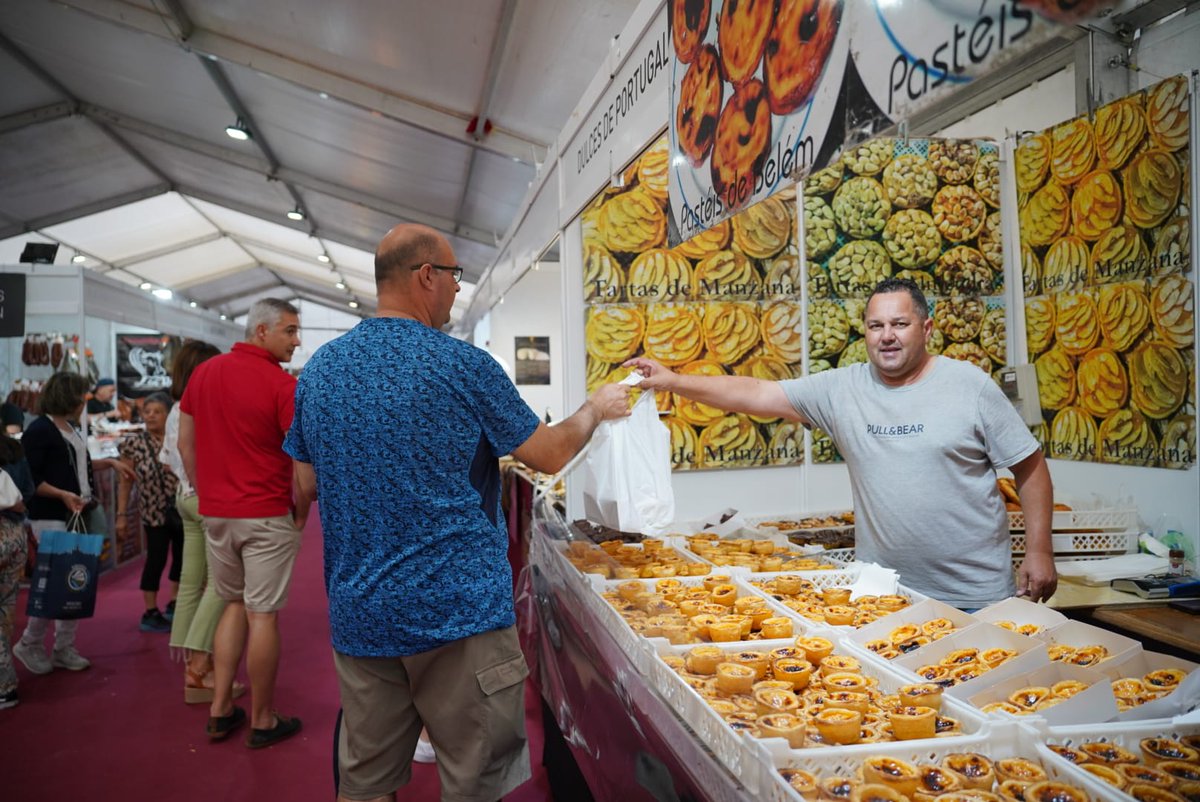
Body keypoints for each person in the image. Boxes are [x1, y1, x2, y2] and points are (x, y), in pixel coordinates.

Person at [285, 223, 631, 802]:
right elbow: (545, 453)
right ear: (426, 276)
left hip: (361, 609)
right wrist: (594, 408)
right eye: (453, 277)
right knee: (475, 780)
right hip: (458, 612)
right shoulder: (462, 365)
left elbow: (305, 482)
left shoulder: (321, 371)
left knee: (365, 782)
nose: (455, 290)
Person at [626, 277, 1056, 610]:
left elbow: (1030, 468)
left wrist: (1038, 551)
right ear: (865, 332)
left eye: (899, 324)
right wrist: (674, 381)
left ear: (925, 329)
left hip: (975, 597)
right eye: (876, 326)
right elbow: (755, 392)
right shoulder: (841, 389)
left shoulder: (970, 385)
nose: (887, 335)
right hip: (882, 593)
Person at [178, 299, 307, 748]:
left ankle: (218, 710)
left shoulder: (205, 373)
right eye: (289, 331)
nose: (297, 340)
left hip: (217, 513)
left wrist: (204, 489)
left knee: (232, 604)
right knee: (262, 614)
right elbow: (301, 460)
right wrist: (304, 508)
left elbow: (185, 441)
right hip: (266, 513)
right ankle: (262, 718)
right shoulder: (281, 385)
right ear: (261, 331)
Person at [12, 372, 132, 674]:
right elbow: (31, 479)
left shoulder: (70, 427)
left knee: (74, 583)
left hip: (77, 512)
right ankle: (30, 641)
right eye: (81, 396)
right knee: (53, 585)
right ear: (69, 396)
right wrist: (63, 495)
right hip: (51, 517)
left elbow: (75, 465)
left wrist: (109, 463)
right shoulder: (40, 430)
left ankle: (64, 646)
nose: (84, 401)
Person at [161, 340, 245, 704]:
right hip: (204, 499)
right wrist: (201, 484)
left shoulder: (175, 408)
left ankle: (193, 667)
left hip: (184, 497)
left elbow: (169, 457)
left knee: (191, 582)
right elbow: (185, 450)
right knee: (221, 586)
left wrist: (189, 484)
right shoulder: (201, 406)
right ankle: (198, 665)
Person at [116, 391, 182, 633]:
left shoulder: (178, 439)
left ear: (169, 415)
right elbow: (125, 482)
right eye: (147, 412)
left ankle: (175, 601)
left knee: (183, 556)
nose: (151, 416)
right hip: (152, 511)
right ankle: (150, 609)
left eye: (157, 412)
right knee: (156, 558)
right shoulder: (134, 443)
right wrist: (121, 515)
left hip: (181, 508)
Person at [0, 433, 34, 709]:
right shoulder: (13, 448)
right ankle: (6, 683)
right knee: (6, 609)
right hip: (15, 533)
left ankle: (4, 686)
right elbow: (27, 492)